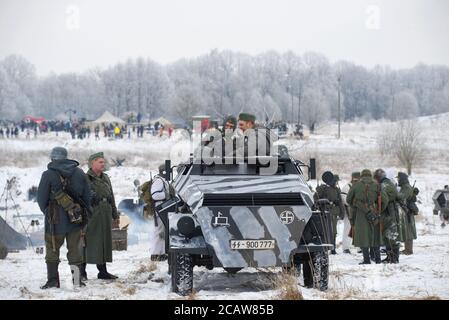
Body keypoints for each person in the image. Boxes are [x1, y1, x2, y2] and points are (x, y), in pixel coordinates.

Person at [37, 147, 91, 288]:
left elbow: (41, 199)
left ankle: (53, 281)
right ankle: (77, 280)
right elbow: (87, 196)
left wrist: (47, 212)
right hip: (76, 218)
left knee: (52, 249)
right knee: (75, 250)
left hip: (55, 220)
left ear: (52, 158)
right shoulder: (79, 173)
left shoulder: (48, 174)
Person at [82, 152, 119, 280]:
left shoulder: (106, 177)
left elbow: (112, 196)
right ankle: (82, 273)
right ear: (92, 163)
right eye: (100, 162)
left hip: (105, 212)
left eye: (104, 162)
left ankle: (102, 271)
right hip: (92, 213)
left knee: (104, 241)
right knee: (88, 241)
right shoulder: (85, 178)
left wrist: (115, 214)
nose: (103, 164)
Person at [346, 169, 387, 264]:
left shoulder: (356, 185)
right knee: (376, 235)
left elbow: (348, 200)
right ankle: (378, 259)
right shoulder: (377, 184)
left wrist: (355, 206)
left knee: (363, 236)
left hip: (360, 214)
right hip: (375, 212)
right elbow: (384, 200)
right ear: (370, 175)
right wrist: (379, 210)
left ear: (362, 175)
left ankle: (366, 260)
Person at [374, 169, 401, 263]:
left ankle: (393, 258)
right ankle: (391, 257)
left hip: (388, 212)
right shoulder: (389, 183)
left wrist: (379, 210)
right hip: (393, 211)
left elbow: (384, 200)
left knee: (389, 235)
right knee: (391, 234)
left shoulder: (383, 185)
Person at [315, 172, 345, 254]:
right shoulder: (322, 189)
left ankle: (333, 248)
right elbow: (315, 199)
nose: (336, 183)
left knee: (334, 231)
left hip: (334, 213)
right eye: (335, 181)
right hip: (324, 212)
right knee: (324, 231)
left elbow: (340, 202)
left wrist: (342, 213)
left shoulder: (337, 190)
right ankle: (324, 248)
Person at [149, 164, 170, 261]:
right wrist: (166, 194)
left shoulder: (162, 180)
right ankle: (155, 254)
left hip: (163, 208)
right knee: (158, 232)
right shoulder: (158, 181)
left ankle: (161, 253)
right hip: (160, 208)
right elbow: (154, 195)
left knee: (162, 232)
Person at [397, 172, 417, 255]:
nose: (398, 180)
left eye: (398, 178)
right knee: (407, 230)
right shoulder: (406, 187)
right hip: (406, 211)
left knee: (408, 231)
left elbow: (401, 196)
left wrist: (395, 194)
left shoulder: (406, 187)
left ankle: (408, 250)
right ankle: (407, 249)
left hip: (407, 211)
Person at [340, 172, 360, 254]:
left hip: (358, 212)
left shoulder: (360, 187)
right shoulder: (347, 187)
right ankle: (346, 248)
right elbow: (344, 199)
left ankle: (360, 247)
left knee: (359, 230)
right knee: (347, 230)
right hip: (349, 212)